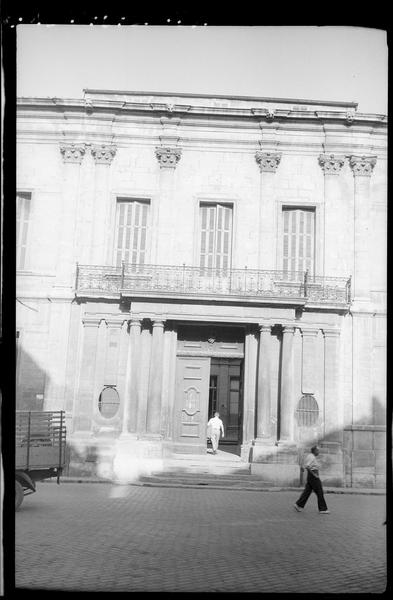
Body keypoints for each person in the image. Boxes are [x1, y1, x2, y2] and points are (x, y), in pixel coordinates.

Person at [294, 445, 330, 514]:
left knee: (307, 491)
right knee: (319, 491)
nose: (319, 452)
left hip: (311, 476)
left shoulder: (310, 456)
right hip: (313, 477)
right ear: (315, 451)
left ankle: (298, 505)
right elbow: (307, 466)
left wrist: (303, 468)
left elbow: (304, 466)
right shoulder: (312, 457)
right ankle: (323, 509)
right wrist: (314, 474)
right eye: (318, 450)